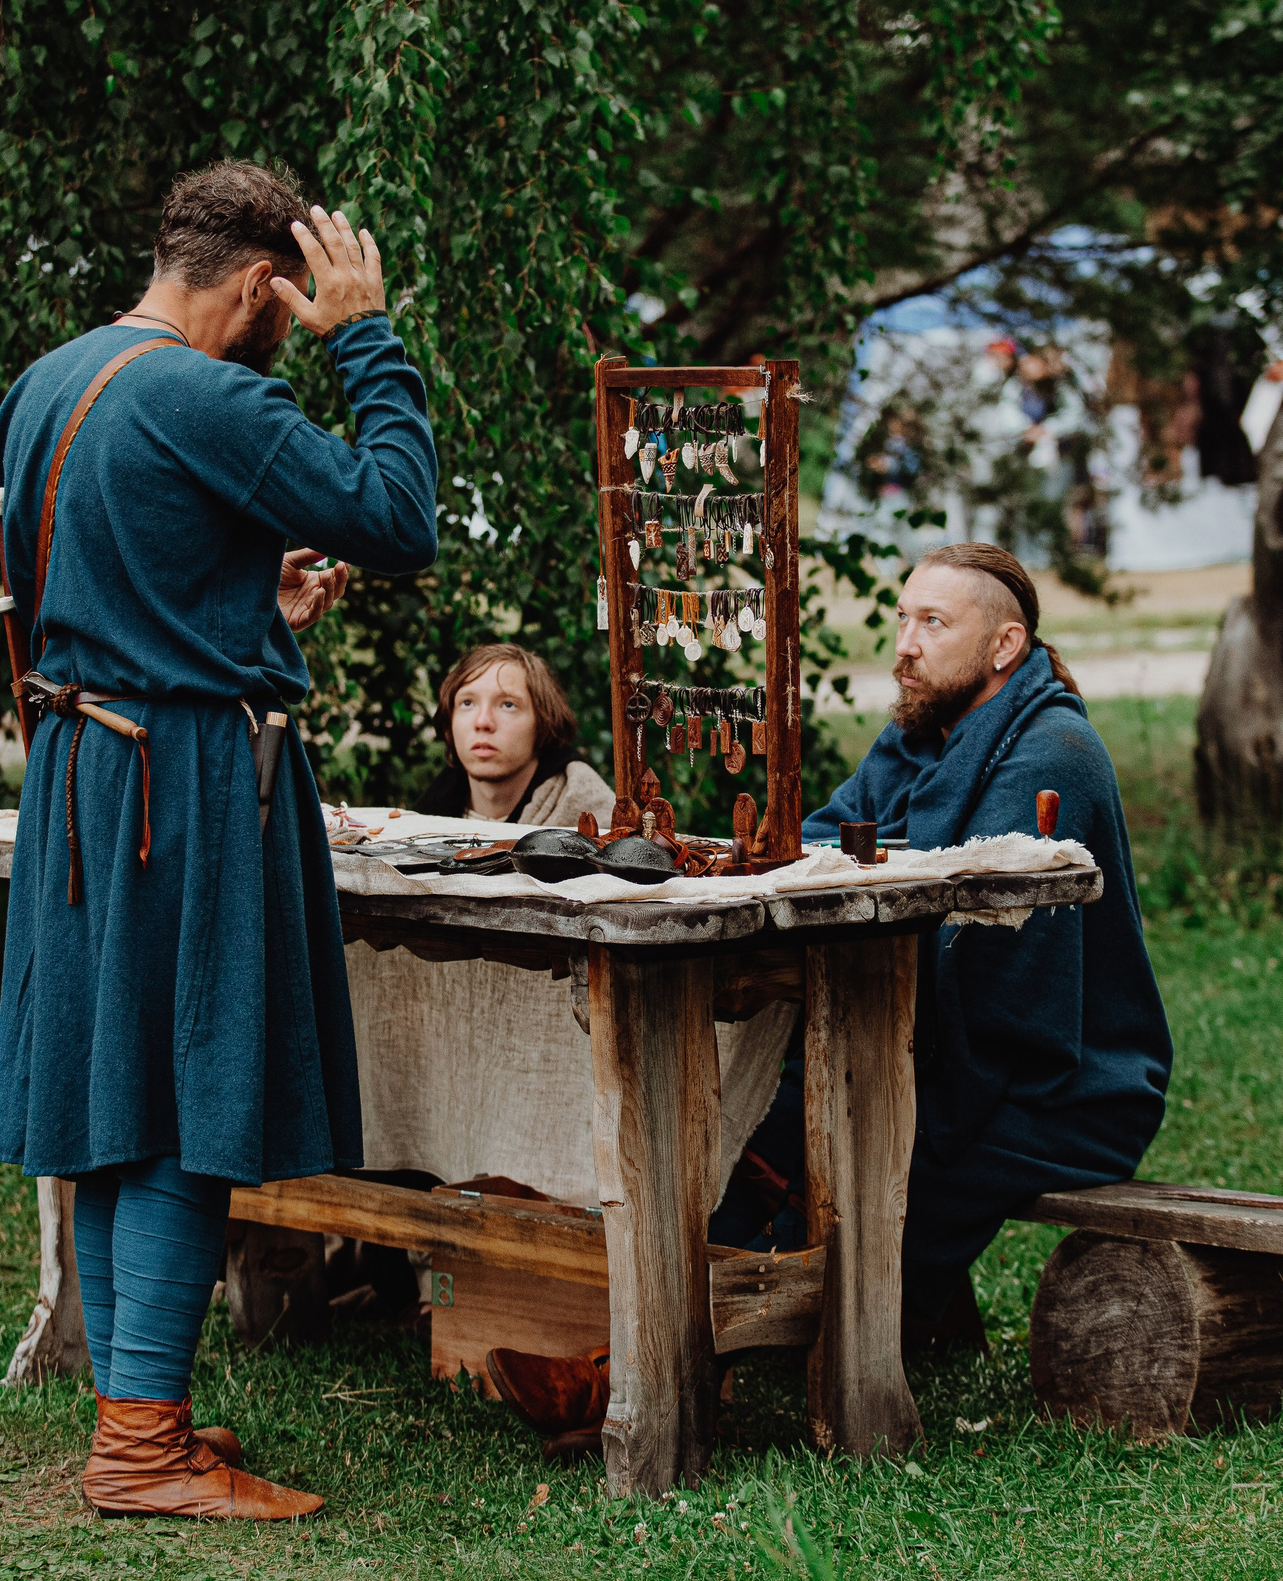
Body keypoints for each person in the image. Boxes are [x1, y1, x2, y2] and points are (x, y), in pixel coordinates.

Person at [0, 161, 437, 1520]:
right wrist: (363, 335)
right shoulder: (213, 393)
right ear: (258, 283)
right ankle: (139, 1451)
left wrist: (246, 608)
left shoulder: (48, 379)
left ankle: (145, 1410)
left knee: (125, 1096)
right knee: (186, 1098)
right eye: (284, 312)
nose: (280, 339)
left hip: (79, 762)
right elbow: (399, 518)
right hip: (177, 778)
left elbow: (77, 576)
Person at [709, 542, 1173, 1344]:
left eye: (933, 622)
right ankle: (649, 1330)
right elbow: (818, 838)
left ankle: (725, 1343)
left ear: (1005, 646)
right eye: (901, 618)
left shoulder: (1053, 753)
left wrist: (884, 1105)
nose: (905, 644)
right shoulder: (921, 734)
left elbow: (1001, 981)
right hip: (936, 1056)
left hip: (1056, 1087)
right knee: (753, 1131)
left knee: (855, 1187)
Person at [410, 643, 617, 827]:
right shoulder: (423, 820)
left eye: (508, 705)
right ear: (450, 720)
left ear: (543, 722)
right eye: (467, 703)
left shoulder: (599, 822)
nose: (482, 722)